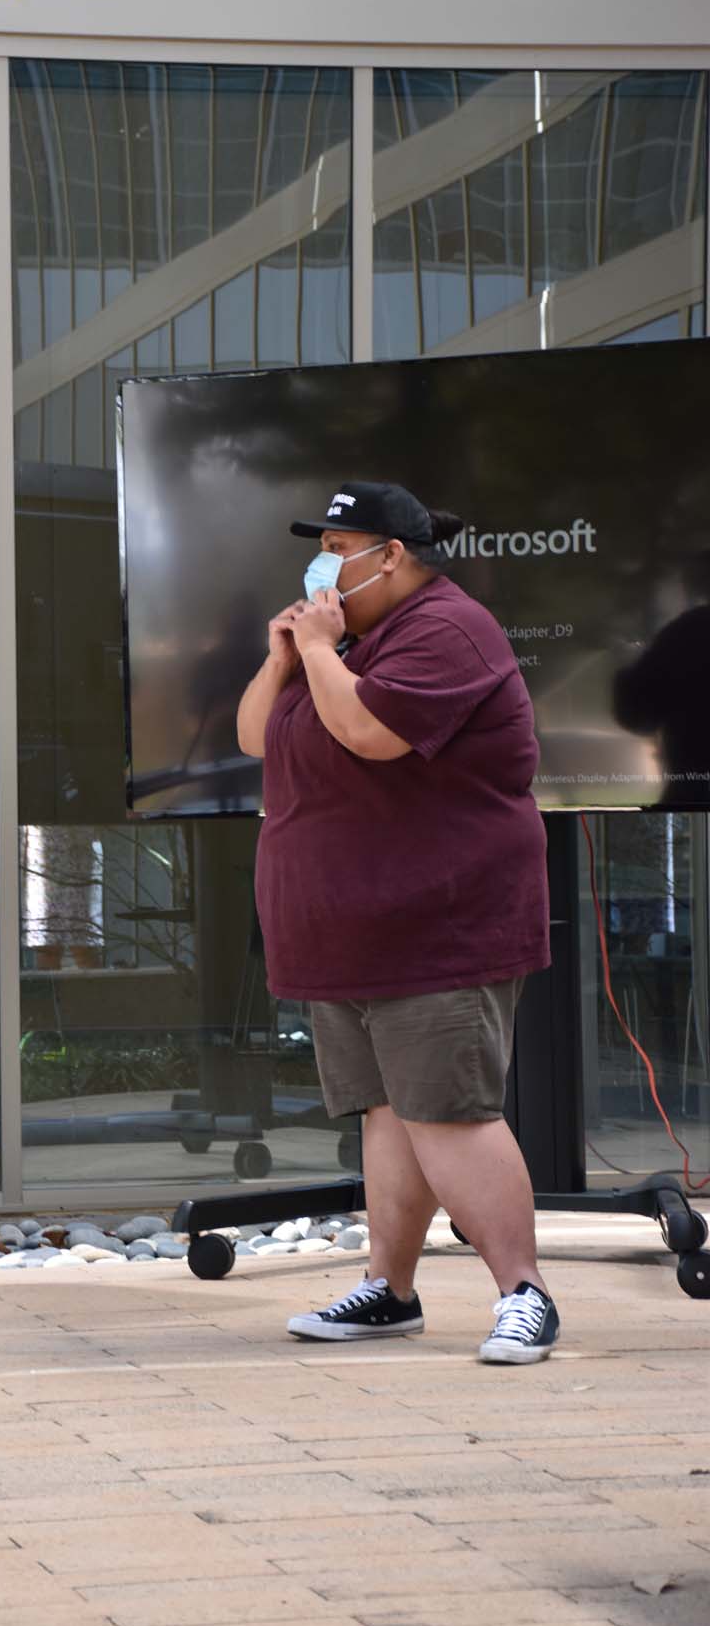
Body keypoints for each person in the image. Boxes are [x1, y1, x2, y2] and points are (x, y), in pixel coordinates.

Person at [238, 480, 558, 1365]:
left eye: (341, 549)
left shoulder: (448, 630)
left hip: (437, 923)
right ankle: (391, 1290)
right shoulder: (342, 638)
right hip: (346, 929)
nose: (325, 565)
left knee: (450, 1112)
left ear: (396, 556)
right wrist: (283, 657)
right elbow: (256, 738)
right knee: (386, 1112)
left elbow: (370, 733)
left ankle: (523, 1292)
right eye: (324, 548)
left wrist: (323, 651)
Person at [612, 547, 710, 808]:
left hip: (692, 791)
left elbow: (636, 713)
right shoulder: (684, 634)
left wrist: (622, 669)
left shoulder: (685, 634)